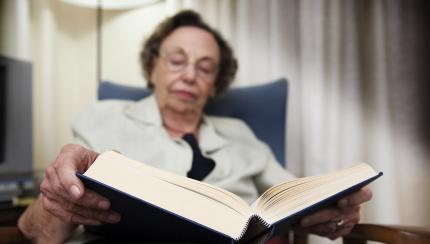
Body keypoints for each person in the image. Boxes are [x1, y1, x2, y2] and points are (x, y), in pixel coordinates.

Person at [18, 10, 372, 243]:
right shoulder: (102, 117)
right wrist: (58, 197)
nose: (189, 75)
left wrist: (332, 208)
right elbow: (39, 234)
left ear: (216, 83)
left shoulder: (241, 136)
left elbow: (291, 199)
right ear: (153, 65)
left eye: (205, 68)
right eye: (177, 61)